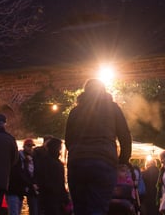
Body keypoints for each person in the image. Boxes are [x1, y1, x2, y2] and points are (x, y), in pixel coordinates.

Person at [65, 79, 132, 215]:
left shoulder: (75, 112)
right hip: (104, 161)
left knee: (79, 209)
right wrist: (123, 160)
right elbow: (125, 136)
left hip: (77, 163)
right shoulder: (113, 108)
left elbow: (68, 141)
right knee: (98, 208)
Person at [35, 137, 71, 215]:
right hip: (54, 198)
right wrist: (66, 198)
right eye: (59, 149)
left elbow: (40, 179)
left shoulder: (43, 161)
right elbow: (61, 183)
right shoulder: (58, 164)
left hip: (46, 198)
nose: (60, 151)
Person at [8, 139, 38, 215]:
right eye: (28, 146)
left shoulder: (31, 159)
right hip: (13, 190)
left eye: (31, 146)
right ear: (24, 146)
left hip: (20, 191)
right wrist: (31, 184)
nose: (30, 148)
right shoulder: (18, 158)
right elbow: (19, 174)